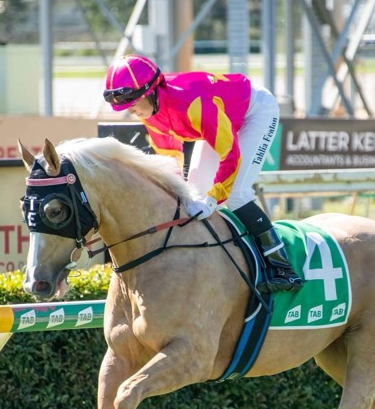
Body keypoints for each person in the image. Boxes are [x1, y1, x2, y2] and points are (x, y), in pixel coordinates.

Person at [103, 54, 303, 293]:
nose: (131, 111)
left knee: (236, 195)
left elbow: (230, 154)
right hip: (219, 119)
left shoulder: (192, 103)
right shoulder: (150, 113)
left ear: (150, 91)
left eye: (133, 103)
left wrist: (213, 199)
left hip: (255, 111)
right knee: (194, 194)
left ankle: (283, 268)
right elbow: (171, 161)